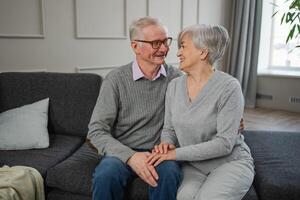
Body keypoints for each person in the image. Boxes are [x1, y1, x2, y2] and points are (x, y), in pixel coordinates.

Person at [147, 24, 254, 200]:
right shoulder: (174, 86)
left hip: (230, 163)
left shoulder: (229, 87)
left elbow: (224, 144)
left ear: (203, 53)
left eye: (183, 46)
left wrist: (174, 154)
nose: (178, 53)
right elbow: (169, 129)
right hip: (193, 166)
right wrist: (166, 144)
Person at [86, 16, 183, 200]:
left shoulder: (177, 78)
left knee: (170, 174)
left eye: (165, 41)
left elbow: (197, 113)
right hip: (121, 152)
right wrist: (131, 156)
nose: (164, 49)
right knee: (106, 175)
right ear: (135, 46)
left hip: (160, 154)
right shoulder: (116, 79)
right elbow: (96, 131)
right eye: (155, 43)